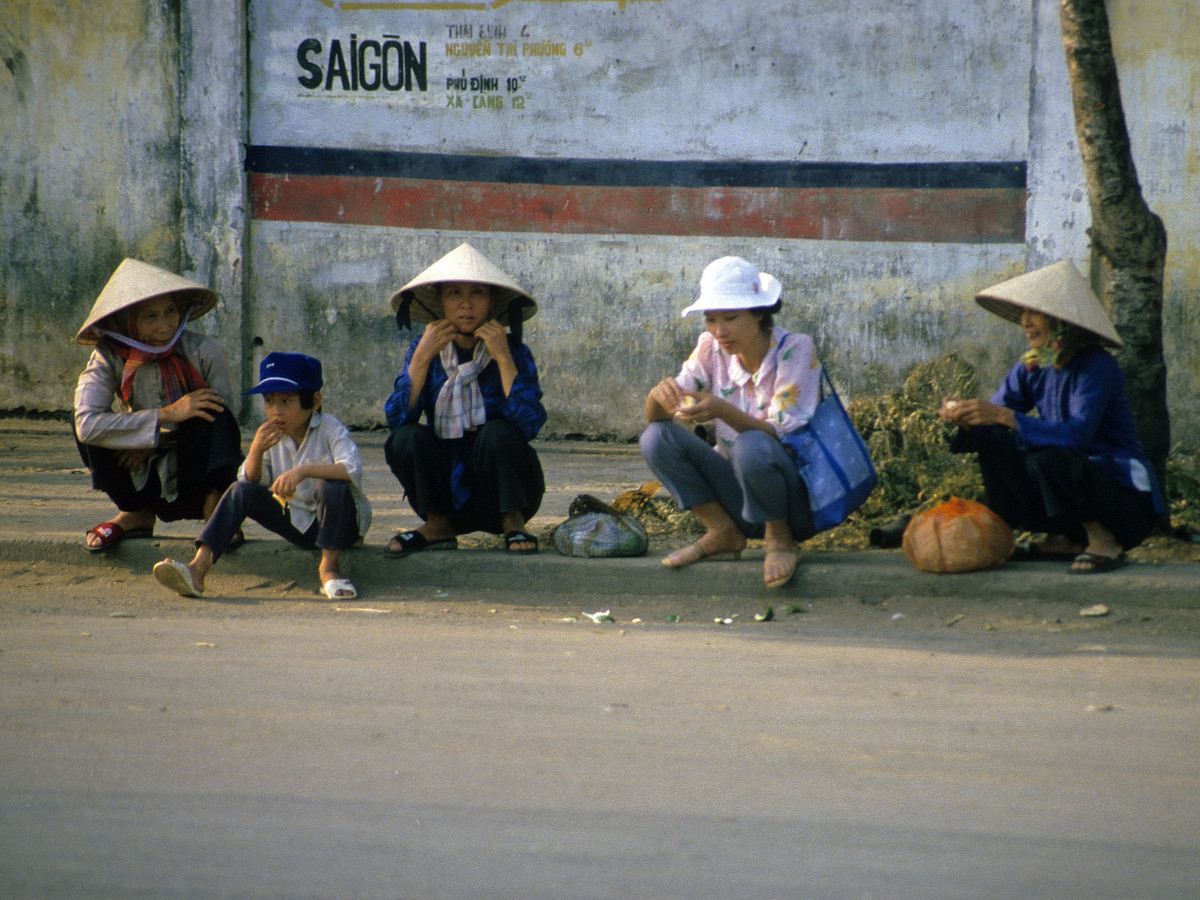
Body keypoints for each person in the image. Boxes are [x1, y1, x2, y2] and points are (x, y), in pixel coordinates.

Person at [939, 260, 1165, 573]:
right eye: (1024, 313)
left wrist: (1005, 416)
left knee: (1048, 457)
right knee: (994, 441)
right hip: (1070, 493)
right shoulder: (1032, 367)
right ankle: (1065, 538)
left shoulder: (1097, 366)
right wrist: (967, 418)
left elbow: (1076, 437)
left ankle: (1102, 540)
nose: (1025, 321)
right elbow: (994, 419)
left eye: (1035, 312)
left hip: (1121, 504)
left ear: (1063, 322)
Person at [640, 256, 824, 589]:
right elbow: (663, 414)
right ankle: (722, 531)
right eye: (711, 319)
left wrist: (723, 410)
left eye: (731, 317)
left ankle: (780, 539)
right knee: (655, 438)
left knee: (751, 444)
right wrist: (657, 397)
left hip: (797, 502)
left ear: (759, 313)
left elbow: (777, 433)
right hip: (740, 500)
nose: (719, 331)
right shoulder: (710, 347)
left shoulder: (795, 349)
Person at [153, 352, 372, 599]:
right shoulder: (271, 435)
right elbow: (251, 482)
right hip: (299, 524)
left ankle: (329, 568)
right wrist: (257, 448)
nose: (275, 411)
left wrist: (304, 470)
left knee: (332, 487)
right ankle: (197, 569)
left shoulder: (329, 427)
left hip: (341, 526)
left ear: (315, 401)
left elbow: (351, 468)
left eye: (286, 402)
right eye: (269, 402)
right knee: (239, 490)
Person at [383, 243, 547, 556]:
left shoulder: (512, 350)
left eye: (477, 293)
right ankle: (438, 525)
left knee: (497, 431)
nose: (466, 305)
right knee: (406, 438)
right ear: (440, 303)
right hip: (444, 489)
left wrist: (502, 357)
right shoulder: (425, 350)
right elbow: (397, 419)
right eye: (455, 293)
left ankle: (513, 522)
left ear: (491, 302)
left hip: (502, 489)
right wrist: (421, 358)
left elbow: (528, 423)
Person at [74, 258, 242, 552]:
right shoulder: (108, 357)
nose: (165, 325)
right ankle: (135, 513)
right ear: (127, 320)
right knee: (82, 427)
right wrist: (163, 417)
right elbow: (87, 423)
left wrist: (156, 437)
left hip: (193, 477)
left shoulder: (204, 350)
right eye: (150, 316)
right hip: (139, 470)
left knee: (213, 412)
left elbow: (224, 428)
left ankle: (216, 510)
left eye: (170, 311)